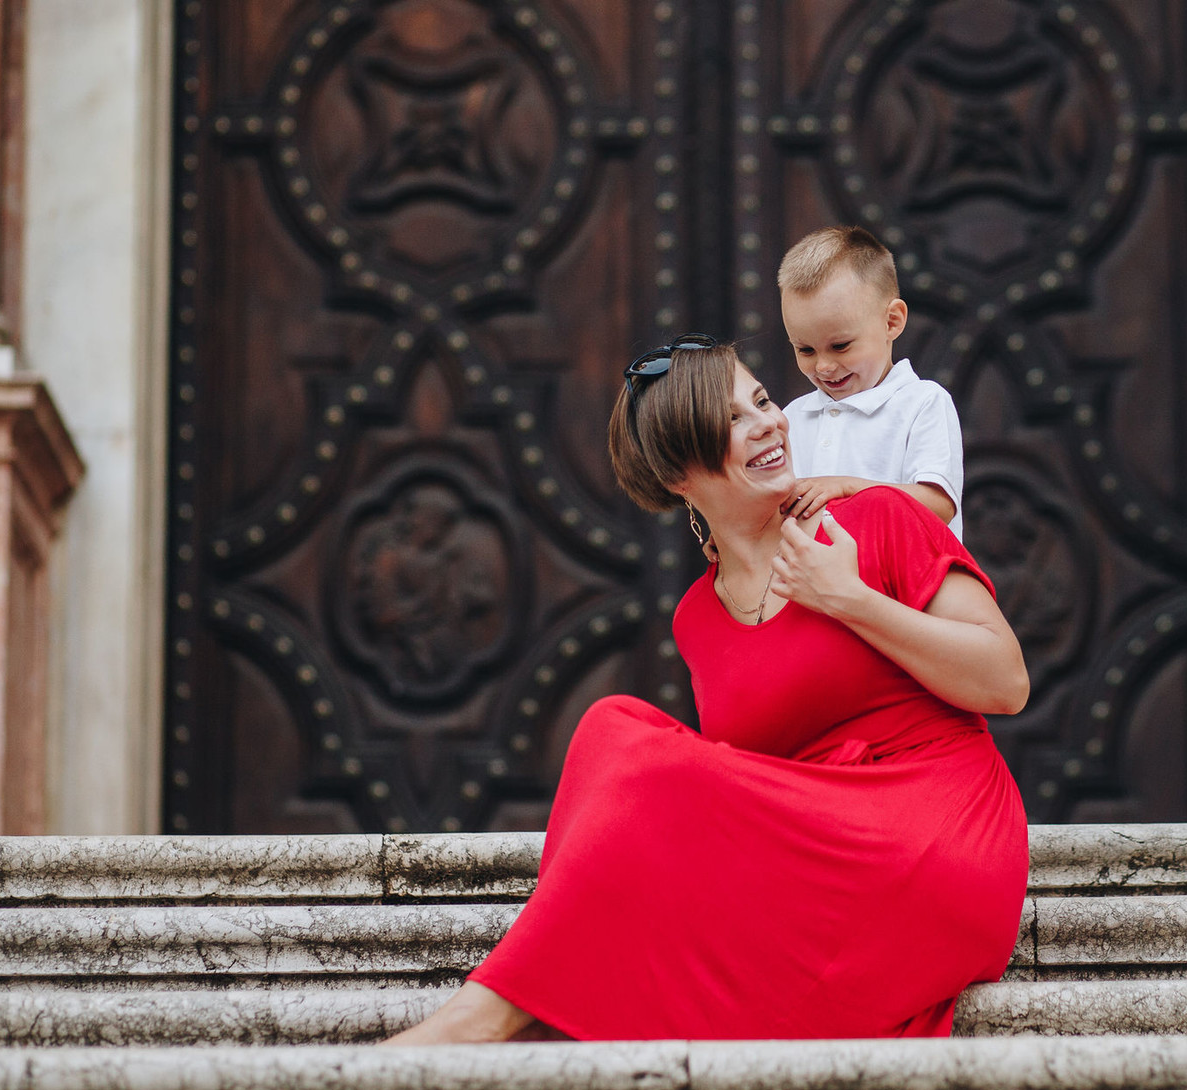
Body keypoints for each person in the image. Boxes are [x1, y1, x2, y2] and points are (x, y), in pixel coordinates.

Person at [383, 336, 1028, 1044]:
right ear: (678, 474)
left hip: (937, 831)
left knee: (626, 741)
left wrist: (850, 599)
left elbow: (1005, 682)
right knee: (612, 728)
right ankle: (530, 1009)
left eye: (762, 401)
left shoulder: (875, 518)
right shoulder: (697, 617)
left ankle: (482, 1017)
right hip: (811, 861)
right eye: (731, 423)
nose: (769, 424)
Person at [778, 226, 966, 539]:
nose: (823, 366)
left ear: (892, 321)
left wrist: (846, 486)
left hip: (900, 587)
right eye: (805, 350)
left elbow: (939, 505)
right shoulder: (791, 418)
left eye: (841, 346)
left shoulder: (922, 403)